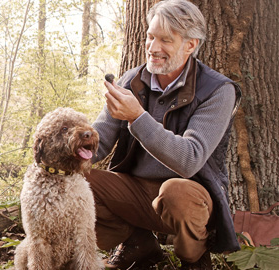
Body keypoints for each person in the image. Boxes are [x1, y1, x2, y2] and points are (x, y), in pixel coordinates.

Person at [86, 0, 241, 269]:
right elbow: (97, 141)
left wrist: (137, 117)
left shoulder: (218, 91)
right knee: (76, 178)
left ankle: (194, 258)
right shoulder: (130, 81)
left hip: (189, 196)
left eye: (166, 40)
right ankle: (138, 243)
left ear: (190, 44)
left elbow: (188, 160)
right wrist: (58, 153)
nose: (153, 48)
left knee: (175, 192)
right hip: (135, 192)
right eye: (150, 36)